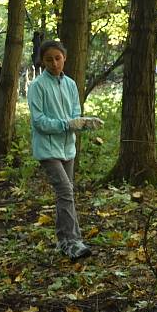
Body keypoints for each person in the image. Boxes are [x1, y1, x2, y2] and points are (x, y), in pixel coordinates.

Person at [27, 40, 103, 261]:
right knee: (65, 192)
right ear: (42, 61)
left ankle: (64, 240)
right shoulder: (37, 86)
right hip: (47, 149)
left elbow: (75, 114)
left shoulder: (70, 84)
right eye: (49, 59)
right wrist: (67, 125)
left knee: (65, 194)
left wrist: (84, 123)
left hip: (68, 148)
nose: (54, 63)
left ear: (64, 58)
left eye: (57, 58)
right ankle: (74, 241)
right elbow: (39, 121)